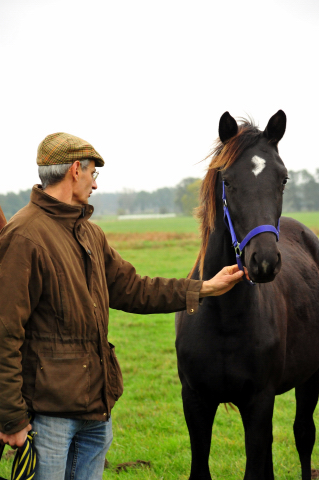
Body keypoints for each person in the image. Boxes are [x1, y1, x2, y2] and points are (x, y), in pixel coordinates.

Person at [0, 133, 244, 480]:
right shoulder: (24, 236)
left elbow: (133, 289)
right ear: (74, 170)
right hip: (48, 417)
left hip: (96, 410)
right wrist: (12, 419)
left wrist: (203, 287)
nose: (95, 185)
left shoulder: (89, 234)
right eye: (93, 174)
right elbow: (5, 333)